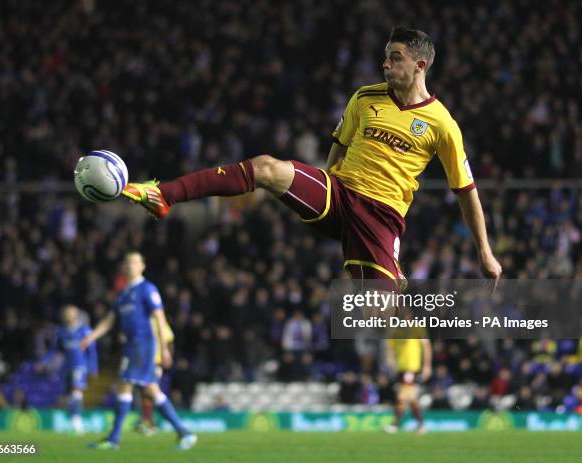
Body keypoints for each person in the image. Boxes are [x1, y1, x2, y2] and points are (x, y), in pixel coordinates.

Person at [121, 26, 502, 288]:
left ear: (419, 65)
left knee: (378, 312)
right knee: (267, 167)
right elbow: (339, 145)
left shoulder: (442, 123)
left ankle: (393, 280)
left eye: (395, 58)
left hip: (380, 216)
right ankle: (164, 194)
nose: (385, 64)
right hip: (337, 192)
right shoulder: (365, 97)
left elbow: (466, 190)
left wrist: (485, 253)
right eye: (385, 57)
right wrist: (320, 182)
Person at [81, 252, 197, 451]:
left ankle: (113, 439)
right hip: (131, 346)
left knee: (125, 384)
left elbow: (159, 318)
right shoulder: (123, 293)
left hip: (143, 344)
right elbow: (110, 319)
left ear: (142, 266)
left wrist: (164, 349)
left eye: (134, 262)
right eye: (127, 262)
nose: (130, 265)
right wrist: (91, 336)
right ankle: (184, 433)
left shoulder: (147, 289)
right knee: (150, 390)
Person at [56, 304, 97, 434]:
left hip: (80, 365)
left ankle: (77, 422)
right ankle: (74, 418)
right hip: (67, 366)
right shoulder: (61, 332)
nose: (67, 315)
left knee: (76, 390)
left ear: (76, 315)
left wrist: (93, 368)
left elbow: (92, 351)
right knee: (69, 395)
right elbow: (56, 349)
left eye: (70, 313)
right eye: (65, 313)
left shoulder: (84, 331)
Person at [385, 328, 432, 433]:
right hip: (400, 369)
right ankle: (421, 424)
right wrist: (390, 361)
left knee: (402, 396)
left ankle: (395, 424)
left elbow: (426, 347)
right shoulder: (394, 331)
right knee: (411, 398)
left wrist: (427, 366)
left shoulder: (418, 328)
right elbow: (391, 348)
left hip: (412, 369)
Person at [135, 313, 175, 436]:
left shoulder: (159, 321)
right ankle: (147, 421)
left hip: (155, 362)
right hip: (142, 361)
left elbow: (169, 340)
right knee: (144, 392)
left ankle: (150, 422)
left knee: (151, 392)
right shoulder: (142, 320)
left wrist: (167, 356)